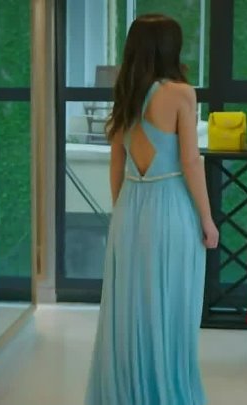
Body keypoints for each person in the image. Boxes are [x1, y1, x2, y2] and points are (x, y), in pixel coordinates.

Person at [85, 14, 219, 405]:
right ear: (169, 48)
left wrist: (122, 212)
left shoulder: (125, 93)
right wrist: (207, 219)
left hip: (130, 207)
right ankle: (165, 392)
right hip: (170, 206)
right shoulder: (181, 93)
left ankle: (128, 393)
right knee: (170, 307)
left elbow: (116, 162)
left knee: (130, 310)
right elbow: (191, 162)